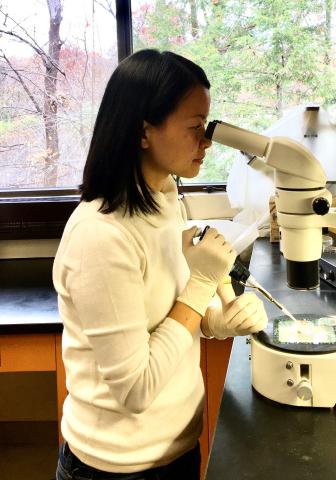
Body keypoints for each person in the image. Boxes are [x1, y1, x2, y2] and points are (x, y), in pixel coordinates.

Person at [53, 49, 268, 480]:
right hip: (117, 468)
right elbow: (135, 389)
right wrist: (201, 287)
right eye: (194, 128)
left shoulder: (164, 198)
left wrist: (216, 321)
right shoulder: (102, 236)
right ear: (144, 132)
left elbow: (162, 316)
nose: (206, 141)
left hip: (176, 449)